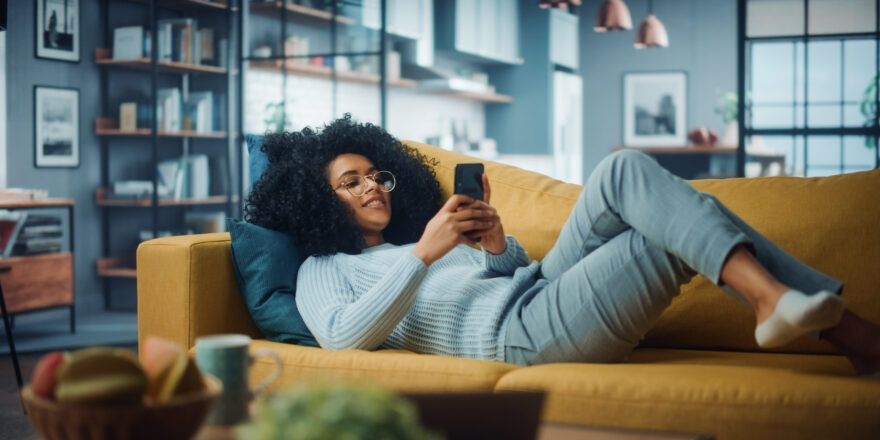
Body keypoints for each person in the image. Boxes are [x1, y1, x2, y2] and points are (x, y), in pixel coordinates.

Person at [245, 115, 880, 375]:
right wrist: (424, 254)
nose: (371, 188)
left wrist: (496, 246)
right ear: (318, 200)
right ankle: (844, 329)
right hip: (521, 336)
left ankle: (787, 306)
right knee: (665, 241)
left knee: (623, 170)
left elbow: (505, 276)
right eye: (349, 183)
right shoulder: (325, 269)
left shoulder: (424, 234)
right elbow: (342, 336)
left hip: (538, 286)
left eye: (375, 175)